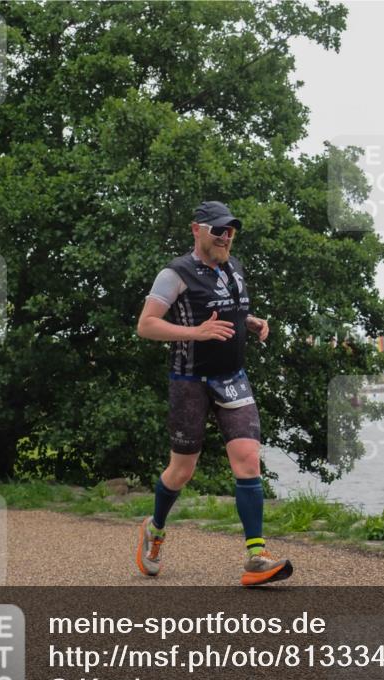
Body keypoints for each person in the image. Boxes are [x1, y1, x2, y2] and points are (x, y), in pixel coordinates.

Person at [134, 200, 292, 586]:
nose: (226, 237)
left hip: (232, 377)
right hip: (189, 382)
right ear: (197, 230)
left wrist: (250, 322)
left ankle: (256, 556)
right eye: (218, 230)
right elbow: (147, 325)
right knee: (181, 471)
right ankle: (154, 530)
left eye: (231, 231)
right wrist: (196, 333)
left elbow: (228, 309)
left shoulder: (233, 268)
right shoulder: (174, 274)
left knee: (247, 458)